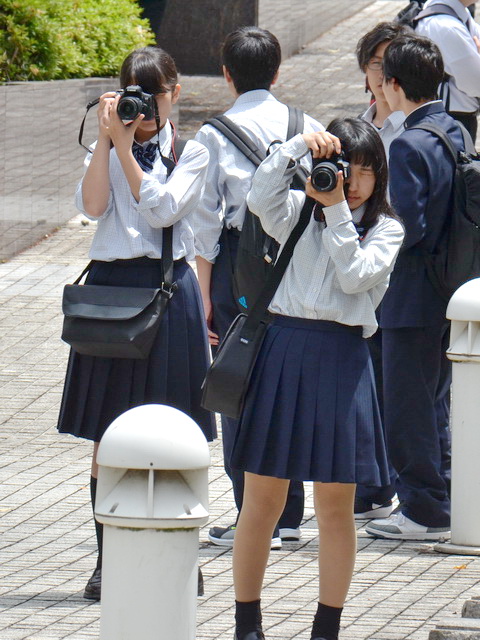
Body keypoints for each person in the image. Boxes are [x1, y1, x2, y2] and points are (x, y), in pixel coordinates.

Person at [230, 117, 404, 640]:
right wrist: (294, 147)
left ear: (380, 177)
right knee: (261, 498)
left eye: (365, 171)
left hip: (342, 358)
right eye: (344, 168)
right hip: (283, 347)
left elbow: (354, 276)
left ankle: (326, 628)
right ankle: (246, 624)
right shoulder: (300, 209)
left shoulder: (386, 229)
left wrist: (334, 214)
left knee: (335, 506)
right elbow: (259, 197)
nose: (351, 181)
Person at [57, 45, 216, 600]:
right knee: (109, 434)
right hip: (111, 295)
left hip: (169, 294)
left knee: (177, 431)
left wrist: (127, 149)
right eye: (135, 93)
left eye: (156, 95)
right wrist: (107, 139)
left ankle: (180, 557)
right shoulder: (108, 140)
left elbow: (163, 210)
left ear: (176, 94)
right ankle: (108, 562)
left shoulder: (193, 153)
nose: (146, 107)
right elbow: (94, 207)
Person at [194, 27, 323, 548]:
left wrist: (203, 295)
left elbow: (203, 226)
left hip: (235, 273)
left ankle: (253, 514)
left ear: (226, 75)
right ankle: (289, 515)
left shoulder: (211, 135)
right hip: (292, 266)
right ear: (277, 71)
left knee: (237, 383)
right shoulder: (306, 124)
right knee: (286, 382)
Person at [365, 34, 464, 541]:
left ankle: (424, 510)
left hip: (407, 296)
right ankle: (444, 497)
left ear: (394, 84)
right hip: (451, 287)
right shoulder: (452, 131)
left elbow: (406, 226)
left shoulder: (407, 143)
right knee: (436, 402)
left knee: (407, 408)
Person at [354, 21, 409, 521]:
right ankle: (369, 487)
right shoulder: (359, 126)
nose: (383, 73)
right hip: (356, 272)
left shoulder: (412, 130)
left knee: (396, 384)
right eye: (375, 63)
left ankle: (390, 485)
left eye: (391, 63)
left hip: (399, 273)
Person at [415, 0, 480, 142]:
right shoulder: (447, 26)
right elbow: (476, 83)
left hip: (452, 117)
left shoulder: (454, 10)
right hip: (450, 121)